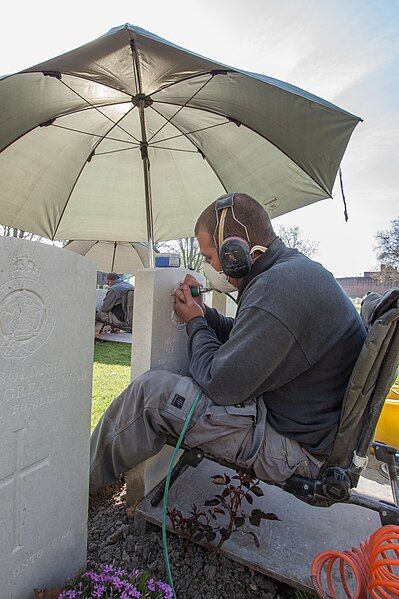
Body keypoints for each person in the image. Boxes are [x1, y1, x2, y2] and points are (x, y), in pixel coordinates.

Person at [90, 193, 366, 493]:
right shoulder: (292, 273)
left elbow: (218, 383)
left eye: (209, 257)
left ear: (234, 250)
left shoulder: (276, 287)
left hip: (298, 452)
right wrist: (205, 314)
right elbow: (249, 336)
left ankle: (81, 482)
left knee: (151, 394)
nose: (209, 266)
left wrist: (195, 323)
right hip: (311, 430)